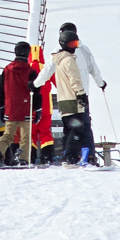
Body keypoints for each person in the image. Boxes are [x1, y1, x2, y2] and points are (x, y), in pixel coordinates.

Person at [33, 28, 91, 167]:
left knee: (68, 130)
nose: (74, 47)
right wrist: (81, 94)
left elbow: (46, 75)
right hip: (73, 100)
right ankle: (70, 158)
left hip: (63, 100)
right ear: (64, 44)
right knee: (76, 130)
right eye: (72, 44)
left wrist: (34, 84)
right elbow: (75, 79)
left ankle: (68, 155)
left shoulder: (58, 60)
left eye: (76, 43)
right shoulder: (69, 60)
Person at [58, 20, 106, 164]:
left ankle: (71, 155)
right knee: (84, 126)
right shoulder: (84, 50)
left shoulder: (59, 53)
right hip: (83, 94)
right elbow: (93, 68)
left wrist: (37, 84)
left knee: (71, 126)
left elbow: (49, 70)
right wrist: (100, 83)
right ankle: (88, 155)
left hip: (67, 95)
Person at [0, 42, 39, 165]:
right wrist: (38, 109)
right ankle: (23, 159)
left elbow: (1, 90)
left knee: (7, 135)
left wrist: (1, 107)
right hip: (25, 109)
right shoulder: (31, 71)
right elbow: (37, 92)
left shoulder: (7, 69)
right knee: (25, 137)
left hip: (10, 108)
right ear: (28, 53)